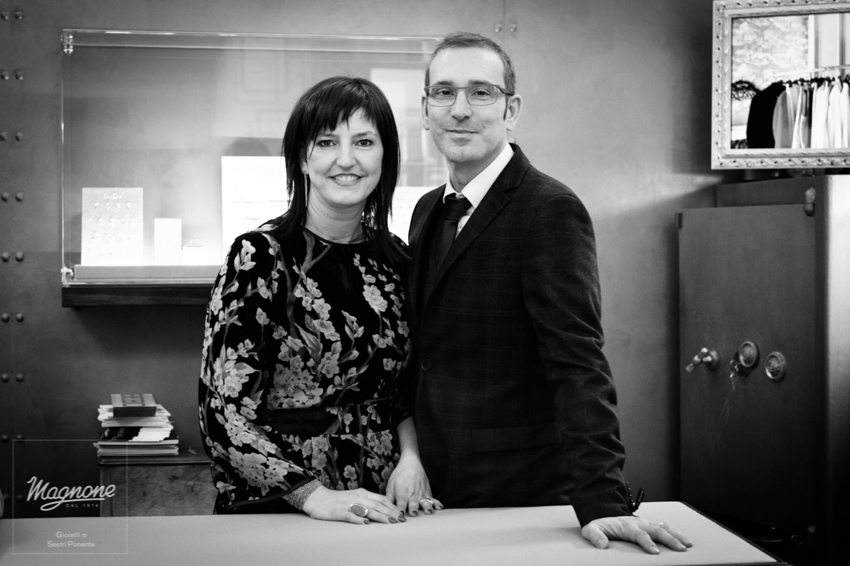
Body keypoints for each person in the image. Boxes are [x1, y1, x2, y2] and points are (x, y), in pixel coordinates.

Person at [408, 32, 692, 554]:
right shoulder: (427, 209)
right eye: (444, 93)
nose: (460, 109)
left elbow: (578, 363)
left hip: (520, 494)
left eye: (481, 92)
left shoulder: (549, 208)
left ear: (511, 109)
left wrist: (603, 499)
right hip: (433, 488)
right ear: (426, 110)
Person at [199, 76, 441, 524]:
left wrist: (412, 458)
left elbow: (404, 391)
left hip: (382, 505)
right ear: (301, 158)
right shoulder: (259, 256)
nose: (346, 159)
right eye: (327, 142)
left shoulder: (396, 260)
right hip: (285, 507)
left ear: (385, 157)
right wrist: (314, 497)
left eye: (364, 142)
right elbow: (222, 415)